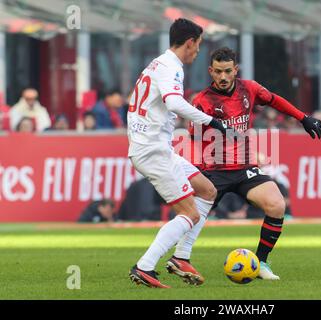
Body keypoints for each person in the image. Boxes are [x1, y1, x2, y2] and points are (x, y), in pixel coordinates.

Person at [167, 47, 321, 281]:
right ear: (211, 71)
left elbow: (274, 100)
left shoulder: (249, 89)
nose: (223, 77)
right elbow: (196, 138)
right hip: (215, 170)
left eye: (228, 71)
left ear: (235, 70)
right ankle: (174, 258)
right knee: (191, 216)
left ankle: (261, 263)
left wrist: (303, 118)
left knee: (276, 205)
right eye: (218, 71)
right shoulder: (202, 101)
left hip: (244, 168)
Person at [127, 18, 230, 288]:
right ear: (190, 42)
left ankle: (181, 258)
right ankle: (144, 266)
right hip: (152, 151)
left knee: (207, 191)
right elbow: (173, 102)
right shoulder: (171, 66)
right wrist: (211, 121)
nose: (198, 51)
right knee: (190, 213)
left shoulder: (158, 63)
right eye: (198, 46)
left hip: (158, 148)